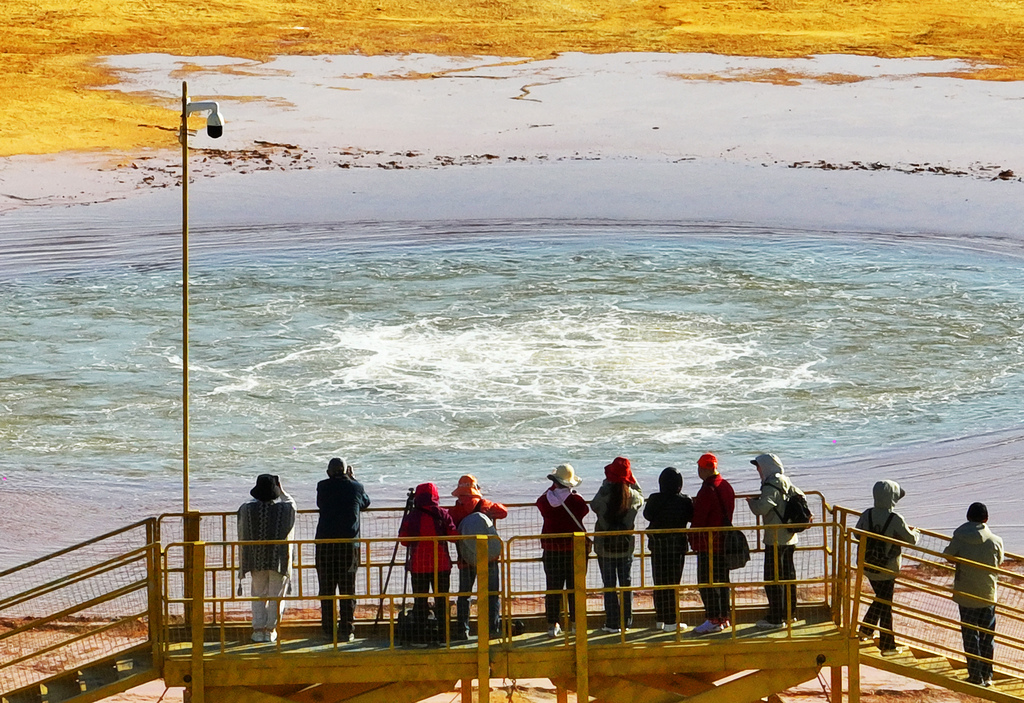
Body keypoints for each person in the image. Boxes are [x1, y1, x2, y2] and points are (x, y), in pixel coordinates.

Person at [855, 480, 920, 655]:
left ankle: (867, 630)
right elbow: (911, 540)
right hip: (887, 569)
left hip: (868, 565)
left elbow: (856, 533)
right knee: (885, 604)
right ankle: (887, 646)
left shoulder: (867, 514)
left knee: (881, 600)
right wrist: (916, 532)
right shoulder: (895, 519)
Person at [943, 502, 1005, 687]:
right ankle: (987, 675)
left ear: (968, 517)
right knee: (987, 636)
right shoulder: (995, 540)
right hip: (987, 594)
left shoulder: (960, 536)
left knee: (970, 635)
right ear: (986, 519)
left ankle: (974, 674)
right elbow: (999, 561)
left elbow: (948, 555)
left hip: (966, 593)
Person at [315, 457, 371, 641]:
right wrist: (353, 479)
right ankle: (347, 630)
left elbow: (320, 504)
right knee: (348, 588)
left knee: (327, 588)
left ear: (328, 472)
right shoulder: (356, 487)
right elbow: (366, 502)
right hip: (349, 546)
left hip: (325, 545)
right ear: (346, 471)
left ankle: (328, 630)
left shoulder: (322, 487)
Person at [746, 453, 804, 630]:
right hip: (790, 537)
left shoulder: (771, 483)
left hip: (775, 538)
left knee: (773, 578)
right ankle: (789, 614)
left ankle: (776, 618)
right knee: (788, 576)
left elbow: (763, 508)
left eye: (759, 466)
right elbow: (801, 496)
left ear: (766, 467)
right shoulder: (785, 480)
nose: (757, 470)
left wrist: (751, 503)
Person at [237, 474, 296, 643]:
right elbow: (292, 503)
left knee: (258, 595)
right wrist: (282, 490)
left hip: (257, 559)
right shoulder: (285, 510)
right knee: (276, 596)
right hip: (279, 560)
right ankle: (270, 630)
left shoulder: (247, 509)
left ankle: (258, 630)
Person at [449, 474, 508, 640]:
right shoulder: (484, 505)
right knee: (492, 593)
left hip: (465, 559)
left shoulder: (454, 511)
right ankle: (491, 629)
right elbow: (503, 512)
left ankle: (463, 630)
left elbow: (450, 532)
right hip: (489, 558)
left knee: (464, 594)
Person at [398, 482, 458, 644]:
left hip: (419, 566)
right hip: (442, 565)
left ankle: (419, 635)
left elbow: (403, 540)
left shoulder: (412, 516)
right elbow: (453, 535)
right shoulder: (442, 513)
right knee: (442, 601)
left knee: (420, 601)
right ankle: (444, 636)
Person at [591, 457, 644, 633]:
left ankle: (612, 623)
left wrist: (605, 485)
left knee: (609, 584)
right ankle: (626, 622)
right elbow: (641, 497)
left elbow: (593, 505)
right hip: (625, 546)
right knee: (626, 583)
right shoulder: (633, 496)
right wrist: (632, 481)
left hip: (604, 547)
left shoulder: (604, 495)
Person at [536, 463, 590, 637]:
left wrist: (553, 487)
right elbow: (584, 511)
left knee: (553, 588)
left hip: (552, 550)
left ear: (554, 481)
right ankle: (576, 623)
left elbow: (540, 502)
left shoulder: (545, 500)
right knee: (576, 588)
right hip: (575, 550)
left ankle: (553, 624)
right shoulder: (576, 501)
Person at [643, 466, 694, 632]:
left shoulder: (654, 498)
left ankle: (660, 619)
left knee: (659, 582)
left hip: (657, 546)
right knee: (673, 583)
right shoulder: (685, 501)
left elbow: (647, 515)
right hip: (676, 547)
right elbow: (691, 517)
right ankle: (672, 621)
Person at [690, 453, 735, 635]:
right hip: (724, 541)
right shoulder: (726, 486)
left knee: (706, 582)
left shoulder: (707, 490)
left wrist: (692, 538)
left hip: (709, 543)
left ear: (704, 469)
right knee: (722, 581)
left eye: (699, 468)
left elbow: (699, 519)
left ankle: (713, 619)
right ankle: (724, 618)